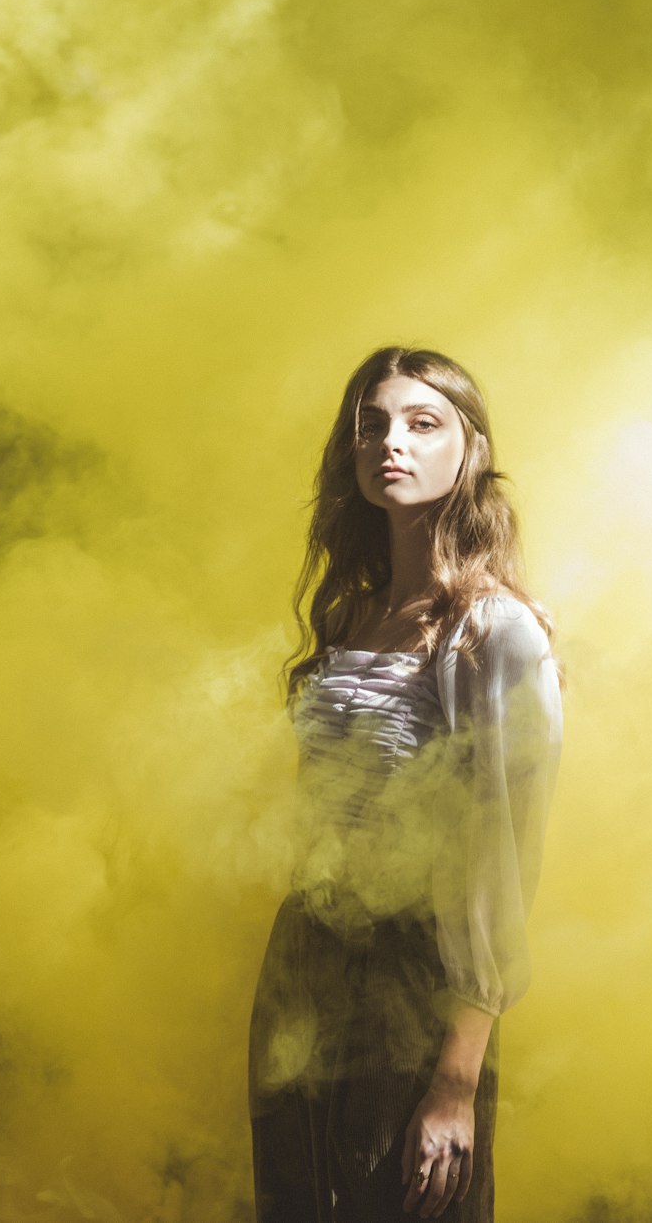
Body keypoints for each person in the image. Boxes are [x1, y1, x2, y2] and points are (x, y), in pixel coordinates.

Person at [249, 346, 562, 1222]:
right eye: (372, 426)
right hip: (304, 952)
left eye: (425, 424)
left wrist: (456, 1079)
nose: (394, 442)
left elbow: (504, 861)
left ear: (471, 451)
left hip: (416, 974)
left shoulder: (493, 633)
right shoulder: (349, 614)